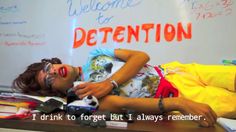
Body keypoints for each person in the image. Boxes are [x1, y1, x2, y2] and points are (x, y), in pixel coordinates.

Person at [13, 48, 236, 127]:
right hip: (177, 95)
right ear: (55, 92)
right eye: (48, 79)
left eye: (48, 67)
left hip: (176, 71)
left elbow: (141, 56)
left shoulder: (94, 54)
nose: (53, 71)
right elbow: (124, 103)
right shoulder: (80, 98)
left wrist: (110, 83)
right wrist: (178, 102)